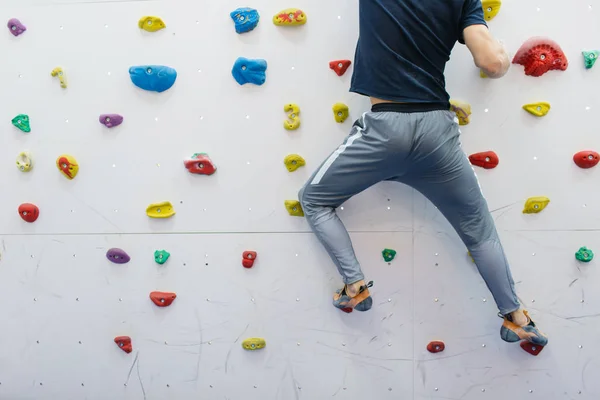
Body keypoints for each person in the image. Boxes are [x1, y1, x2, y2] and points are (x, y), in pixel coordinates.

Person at [298, 0, 548, 347]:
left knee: (314, 200)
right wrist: (503, 56)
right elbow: (491, 63)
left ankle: (354, 286)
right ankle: (516, 317)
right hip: (436, 136)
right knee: (479, 233)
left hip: (384, 131)